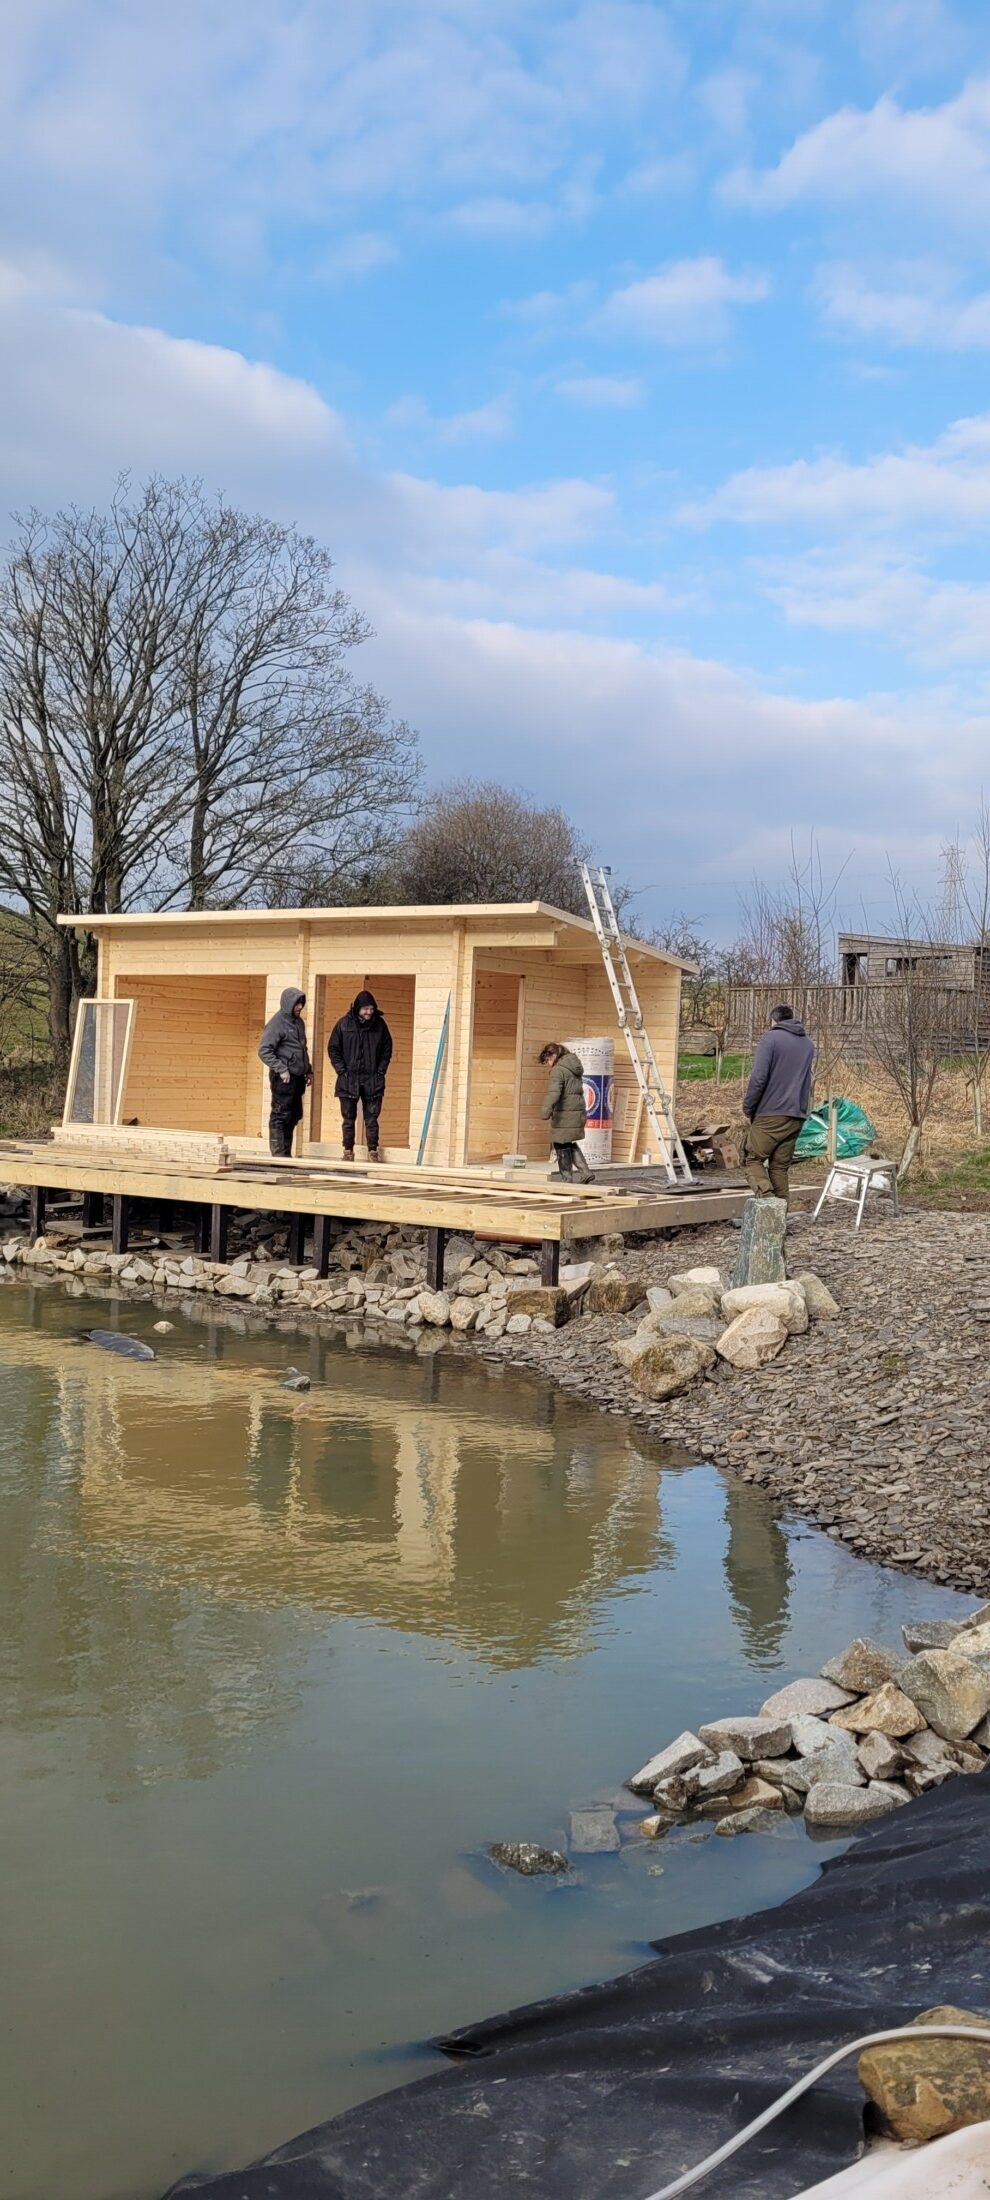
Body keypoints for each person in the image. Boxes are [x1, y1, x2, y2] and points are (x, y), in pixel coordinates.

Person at [742, 1004, 815, 1205]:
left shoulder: (770, 1039)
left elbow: (759, 1078)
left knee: (752, 1159)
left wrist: (748, 1106)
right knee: (779, 1167)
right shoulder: (808, 1044)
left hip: (771, 1112)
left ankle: (769, 1204)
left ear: (774, 1021)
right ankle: (781, 1213)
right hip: (797, 1113)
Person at [328, 989, 393, 1162]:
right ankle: (348, 1151)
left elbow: (387, 1049)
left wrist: (381, 1071)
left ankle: (373, 1152)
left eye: (371, 1009)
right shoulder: (343, 1024)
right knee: (348, 1119)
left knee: (371, 1119)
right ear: (358, 1008)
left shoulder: (380, 1025)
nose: (369, 1012)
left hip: (373, 1080)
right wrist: (342, 1071)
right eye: (366, 1009)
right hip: (348, 1079)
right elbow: (333, 1048)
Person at [258, 987, 313, 1157]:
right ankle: (278, 1156)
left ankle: (286, 1155)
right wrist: (281, 1069)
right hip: (283, 1078)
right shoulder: (277, 1023)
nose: (300, 1007)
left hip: (297, 1077)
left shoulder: (299, 1022)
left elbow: (302, 1049)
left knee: (293, 1115)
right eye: (297, 1003)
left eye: (301, 1003)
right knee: (280, 1115)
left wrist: (308, 1070)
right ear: (289, 1003)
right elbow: (264, 1050)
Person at [539, 1041, 593, 1182]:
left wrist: (545, 1110)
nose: (548, 1064)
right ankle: (585, 1172)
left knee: (559, 1143)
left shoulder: (558, 1070)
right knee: (567, 1142)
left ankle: (567, 1179)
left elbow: (554, 1093)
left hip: (565, 1113)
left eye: (548, 1060)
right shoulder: (572, 1066)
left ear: (554, 1056)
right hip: (576, 1111)